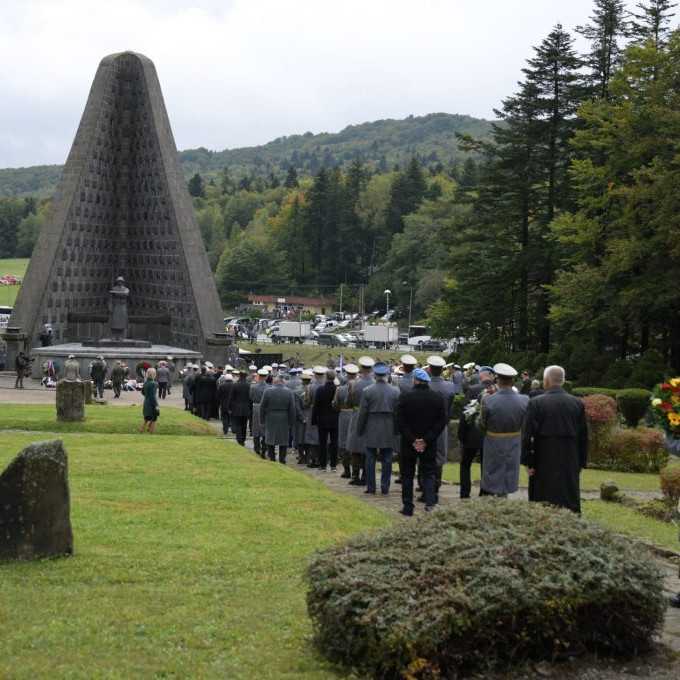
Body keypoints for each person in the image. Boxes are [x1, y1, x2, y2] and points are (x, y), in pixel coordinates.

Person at [522, 365, 588, 513]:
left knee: (543, 498)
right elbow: (583, 436)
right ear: (563, 381)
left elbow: (527, 434)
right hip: (570, 458)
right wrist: (581, 462)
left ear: (546, 380)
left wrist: (528, 461)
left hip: (543, 457)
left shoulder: (536, 403)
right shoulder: (577, 403)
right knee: (568, 496)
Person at [396, 368, 448, 515]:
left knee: (407, 474)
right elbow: (441, 421)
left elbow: (400, 421)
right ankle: (430, 503)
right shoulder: (437, 398)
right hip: (429, 443)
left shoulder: (405, 397)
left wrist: (413, 439)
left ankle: (408, 507)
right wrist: (426, 439)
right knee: (429, 473)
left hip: (408, 442)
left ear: (416, 380)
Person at [479, 363, 529, 497]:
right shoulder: (524, 400)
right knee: (509, 473)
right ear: (513, 380)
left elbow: (482, 424)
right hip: (514, 442)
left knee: (492, 474)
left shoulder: (488, 400)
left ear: (498, 379)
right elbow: (525, 425)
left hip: (493, 442)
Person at [357, 361, 399, 495]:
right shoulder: (395, 391)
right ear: (386, 374)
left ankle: (371, 487)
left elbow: (362, 412)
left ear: (375, 375)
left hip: (372, 424)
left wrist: (360, 429)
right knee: (387, 458)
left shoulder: (367, 391)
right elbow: (398, 413)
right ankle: (385, 487)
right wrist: (397, 430)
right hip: (389, 425)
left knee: (370, 458)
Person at [427, 355, 457, 505]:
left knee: (425, 457)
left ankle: (425, 489)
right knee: (439, 456)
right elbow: (450, 406)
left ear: (430, 369)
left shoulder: (425, 385)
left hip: (426, 426)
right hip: (442, 425)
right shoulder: (450, 386)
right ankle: (436, 487)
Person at [346, 356, 375, 486]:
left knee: (355, 447)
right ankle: (366, 475)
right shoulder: (375, 383)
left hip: (357, 414)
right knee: (367, 448)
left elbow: (348, 402)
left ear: (361, 368)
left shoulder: (354, 383)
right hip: (371, 417)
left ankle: (355, 475)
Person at [260, 374, 296, 463]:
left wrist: (262, 419)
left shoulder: (267, 391)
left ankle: (272, 457)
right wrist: (292, 422)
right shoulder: (289, 392)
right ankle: (282, 458)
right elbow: (292, 408)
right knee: (283, 439)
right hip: (284, 417)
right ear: (283, 382)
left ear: (274, 382)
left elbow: (262, 406)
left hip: (270, 417)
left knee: (270, 437)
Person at [332, 363, 359, 478]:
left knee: (343, 443)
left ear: (347, 375)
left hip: (343, 416)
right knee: (355, 443)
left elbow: (335, 405)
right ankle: (356, 471)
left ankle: (347, 469)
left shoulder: (340, 389)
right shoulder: (361, 387)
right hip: (356, 415)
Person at [312, 369, 340, 472]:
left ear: (326, 377)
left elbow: (316, 406)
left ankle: (323, 465)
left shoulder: (320, 389)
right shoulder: (337, 389)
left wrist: (314, 420)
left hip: (322, 419)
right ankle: (333, 465)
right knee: (334, 443)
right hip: (334, 419)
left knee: (322, 443)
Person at [250, 368, 271, 457]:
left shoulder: (253, 387)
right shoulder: (269, 388)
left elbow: (251, 397)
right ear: (266, 377)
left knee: (256, 428)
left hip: (256, 407)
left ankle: (257, 448)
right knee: (265, 428)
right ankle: (264, 447)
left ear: (258, 376)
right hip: (266, 408)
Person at [228, 370, 252, 446]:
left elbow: (231, 398)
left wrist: (229, 407)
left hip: (236, 408)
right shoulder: (249, 385)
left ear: (239, 376)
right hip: (246, 408)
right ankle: (243, 439)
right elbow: (250, 398)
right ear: (246, 376)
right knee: (244, 424)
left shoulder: (235, 385)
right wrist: (250, 408)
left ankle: (239, 439)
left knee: (238, 424)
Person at [140, 367, 159, 433]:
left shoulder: (146, 383)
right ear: (154, 374)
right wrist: (156, 405)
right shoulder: (154, 384)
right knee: (154, 418)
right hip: (151, 403)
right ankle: (151, 431)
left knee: (146, 419)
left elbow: (142, 392)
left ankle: (142, 430)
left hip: (146, 402)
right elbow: (153, 396)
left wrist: (147, 396)